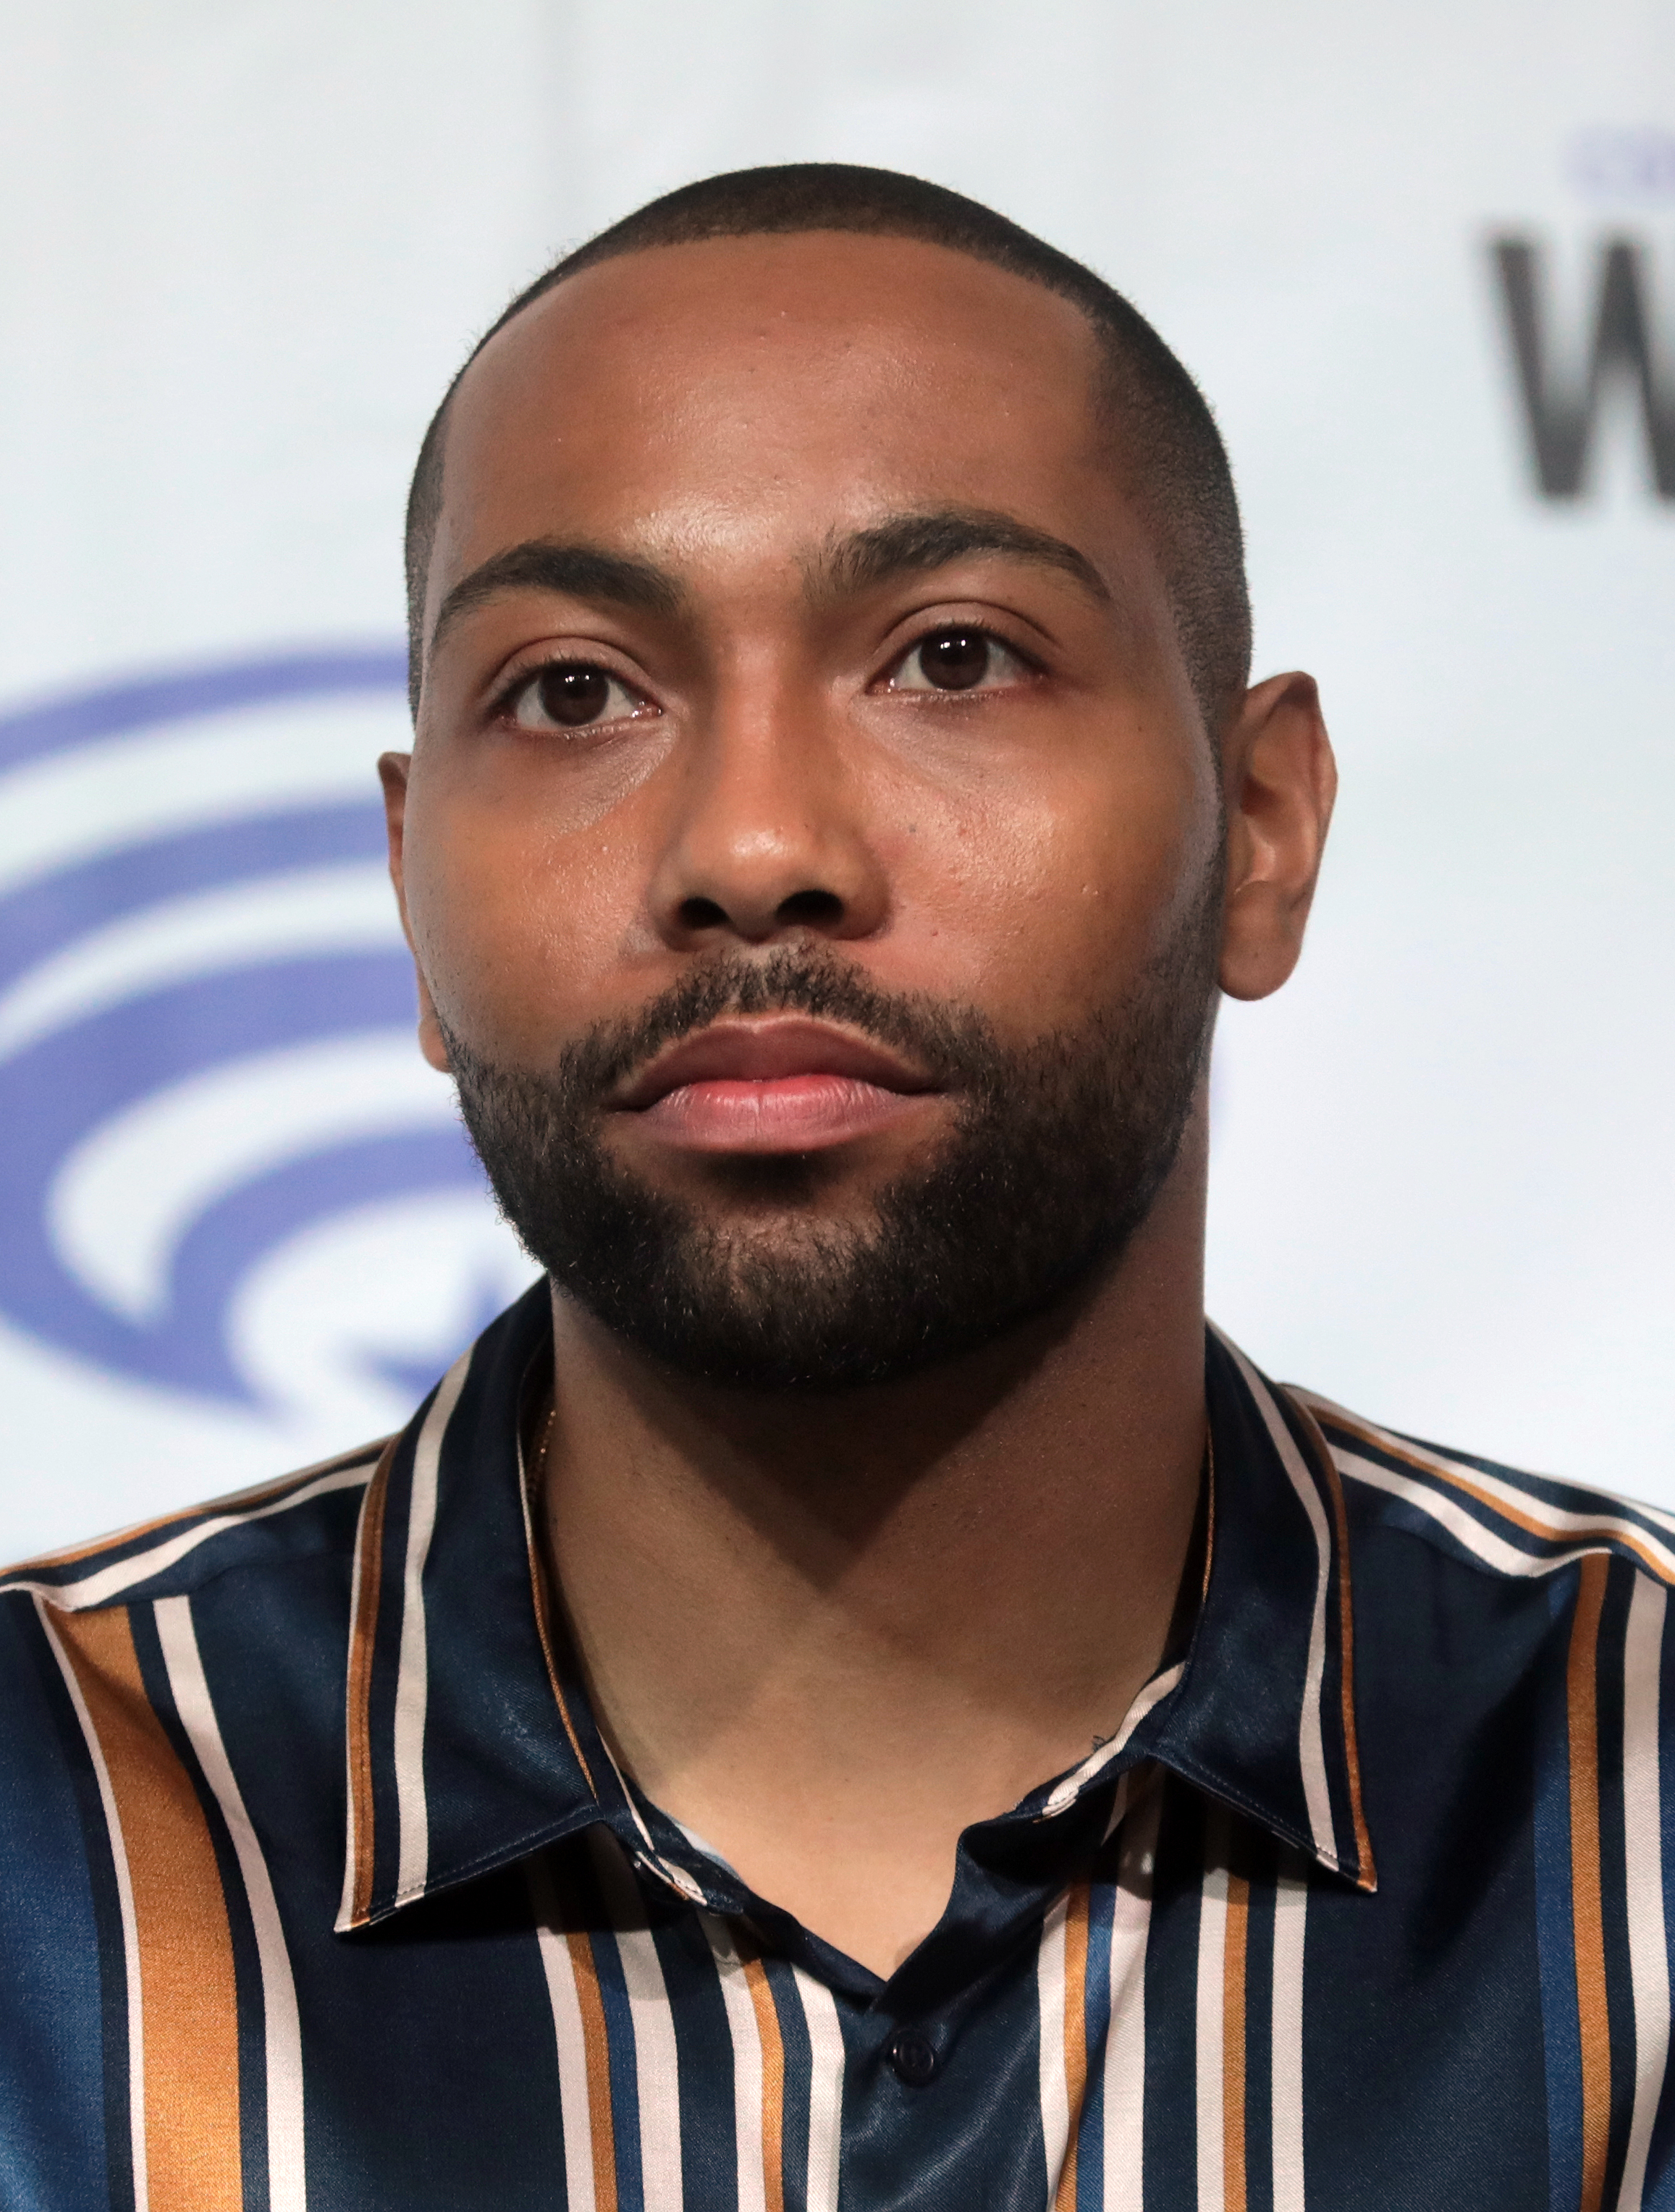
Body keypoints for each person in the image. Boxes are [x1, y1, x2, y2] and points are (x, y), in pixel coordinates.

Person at [0, 162, 1668, 2212]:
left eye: (952, 657)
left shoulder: (1641, 1784)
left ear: (1257, 826)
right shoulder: (39, 1828)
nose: (754, 846)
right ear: (410, 889)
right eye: (574, 691)